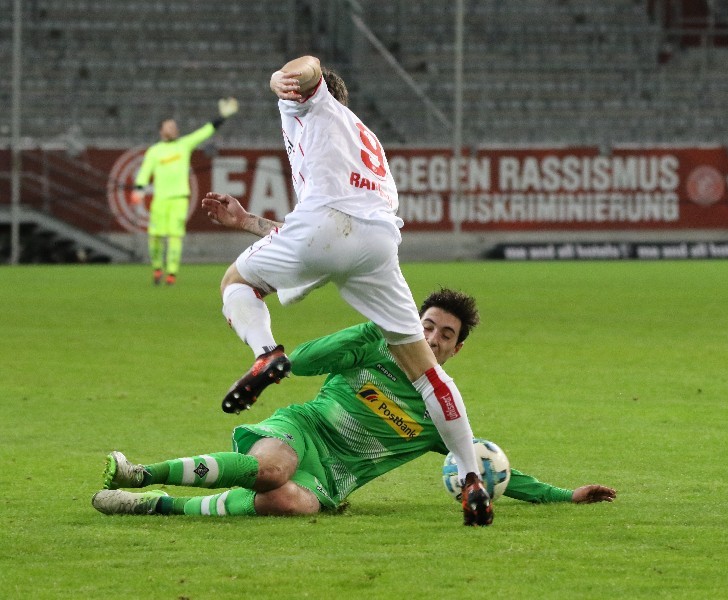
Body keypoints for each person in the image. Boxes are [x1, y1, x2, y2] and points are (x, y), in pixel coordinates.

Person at [198, 55, 494, 525]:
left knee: (236, 282)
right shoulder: (366, 139)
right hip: (377, 243)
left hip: (327, 225)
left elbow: (309, 67)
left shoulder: (311, 106)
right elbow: (332, 239)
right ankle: (473, 476)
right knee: (426, 372)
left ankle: (265, 352)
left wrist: (281, 78)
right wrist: (248, 222)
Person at [91, 288, 617, 519]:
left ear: (457, 349)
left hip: (335, 478)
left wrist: (566, 496)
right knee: (272, 472)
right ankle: (141, 473)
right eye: (427, 325)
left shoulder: (442, 411)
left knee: (287, 503)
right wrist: (366, 332)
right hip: (305, 428)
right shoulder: (373, 341)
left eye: (445, 335)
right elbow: (307, 360)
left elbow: (489, 470)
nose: (431, 338)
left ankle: (159, 505)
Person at [130, 97, 240, 285]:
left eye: (175, 126)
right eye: (169, 126)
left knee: (175, 235)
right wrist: (139, 189)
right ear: (161, 130)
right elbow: (145, 171)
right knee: (155, 235)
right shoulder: (154, 151)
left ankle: (171, 272)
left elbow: (205, 131)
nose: (174, 129)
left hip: (179, 198)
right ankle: (157, 267)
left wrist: (221, 117)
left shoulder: (184, 144)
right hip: (160, 199)